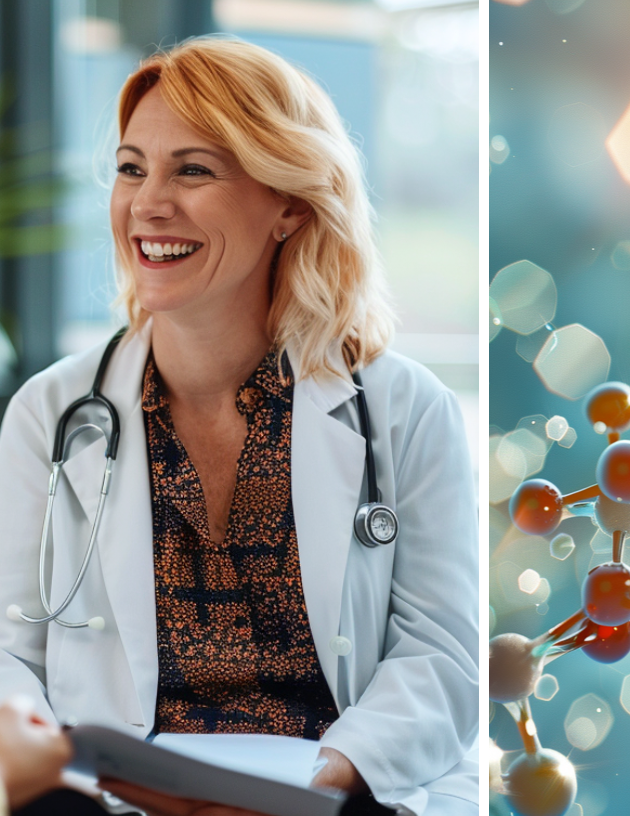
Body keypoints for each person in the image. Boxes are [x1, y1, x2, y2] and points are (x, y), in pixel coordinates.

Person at [0, 37, 478, 814]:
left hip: (332, 793)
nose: (148, 204)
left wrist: (314, 783)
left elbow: (444, 657)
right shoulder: (49, 416)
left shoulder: (404, 409)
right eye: (131, 168)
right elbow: (8, 652)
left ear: (290, 202)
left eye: (193, 170)